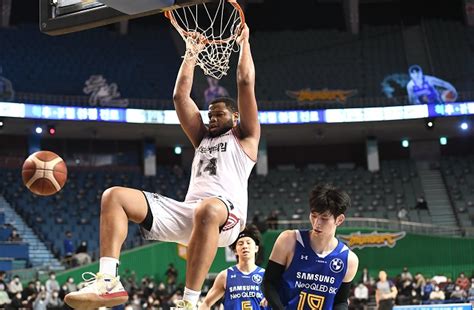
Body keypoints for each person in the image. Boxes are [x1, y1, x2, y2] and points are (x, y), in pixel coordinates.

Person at [65, 24, 259, 310]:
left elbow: (244, 81)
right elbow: (180, 98)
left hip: (226, 218)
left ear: (236, 116)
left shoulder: (246, 137)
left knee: (207, 209)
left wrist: (244, 44)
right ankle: (108, 282)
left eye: (219, 114)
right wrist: (191, 53)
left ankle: (189, 303)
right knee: (113, 196)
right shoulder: (202, 137)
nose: (212, 118)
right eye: (210, 114)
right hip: (191, 214)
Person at [262, 183, 359, 310]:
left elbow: (340, 302)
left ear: (339, 220)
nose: (317, 223)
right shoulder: (289, 240)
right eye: (313, 216)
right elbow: (268, 283)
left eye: (324, 218)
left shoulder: (349, 260)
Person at [199, 225, 268, 309]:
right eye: (240, 243)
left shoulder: (266, 275)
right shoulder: (225, 275)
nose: (245, 246)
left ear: (256, 248)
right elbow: (206, 303)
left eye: (248, 243)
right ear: (235, 251)